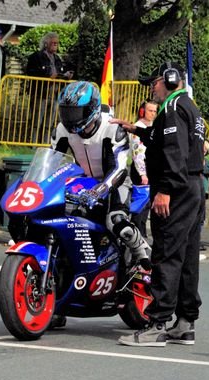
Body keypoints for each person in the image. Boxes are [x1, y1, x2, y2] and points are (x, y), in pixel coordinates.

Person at [111, 61, 205, 347]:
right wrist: (135, 129)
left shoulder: (173, 108)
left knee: (166, 253)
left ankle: (157, 324)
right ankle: (185, 323)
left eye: (155, 82)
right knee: (187, 255)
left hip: (175, 188)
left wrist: (164, 190)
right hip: (193, 187)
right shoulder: (189, 106)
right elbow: (168, 141)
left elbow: (174, 152)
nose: (152, 88)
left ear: (171, 80)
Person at [52, 81, 151, 272]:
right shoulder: (62, 130)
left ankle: (142, 255)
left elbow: (119, 169)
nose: (70, 118)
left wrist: (99, 191)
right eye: (67, 112)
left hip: (116, 181)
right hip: (84, 182)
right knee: (64, 217)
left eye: (76, 112)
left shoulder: (112, 128)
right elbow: (52, 161)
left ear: (91, 110)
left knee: (116, 221)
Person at [26, 32, 74, 143]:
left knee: (50, 122)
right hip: (40, 93)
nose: (55, 45)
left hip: (54, 94)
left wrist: (65, 76)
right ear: (46, 44)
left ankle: (45, 143)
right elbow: (31, 72)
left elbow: (59, 72)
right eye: (53, 43)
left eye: (57, 43)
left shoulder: (57, 58)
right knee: (36, 121)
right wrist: (48, 76)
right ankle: (32, 144)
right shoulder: (36, 57)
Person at [130, 100, 158, 237]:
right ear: (142, 111)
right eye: (150, 110)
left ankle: (142, 232)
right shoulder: (137, 128)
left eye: (154, 111)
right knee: (140, 202)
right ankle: (137, 231)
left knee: (147, 203)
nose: (152, 114)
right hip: (140, 170)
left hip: (151, 168)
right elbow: (137, 154)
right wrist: (143, 174)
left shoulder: (154, 127)